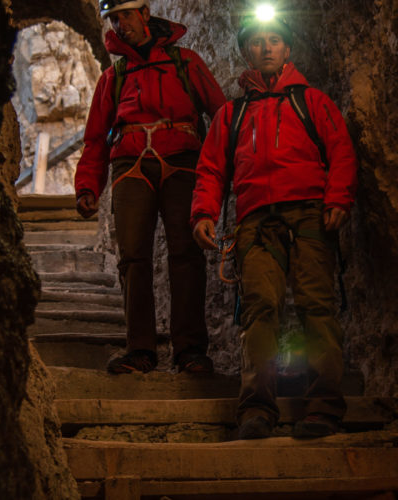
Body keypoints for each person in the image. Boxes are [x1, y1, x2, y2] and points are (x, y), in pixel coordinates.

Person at [190, 9, 358, 439]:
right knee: (260, 311)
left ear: (287, 49)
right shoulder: (232, 114)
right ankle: (257, 410)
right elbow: (211, 169)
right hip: (255, 222)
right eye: (257, 41)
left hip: (308, 215)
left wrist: (338, 197)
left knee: (316, 307)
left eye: (274, 40)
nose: (266, 47)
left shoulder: (312, 101)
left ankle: (322, 406)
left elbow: (340, 150)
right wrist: (204, 212)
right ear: (247, 51)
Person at [75, 0, 226, 375]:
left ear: (144, 14)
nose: (119, 24)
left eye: (125, 15)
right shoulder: (116, 76)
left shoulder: (184, 62)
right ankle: (140, 350)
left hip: (182, 161)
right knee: (133, 258)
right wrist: (87, 186)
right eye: (113, 18)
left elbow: (221, 116)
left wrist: (230, 170)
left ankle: (190, 350)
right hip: (131, 166)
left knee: (186, 254)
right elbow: (95, 139)